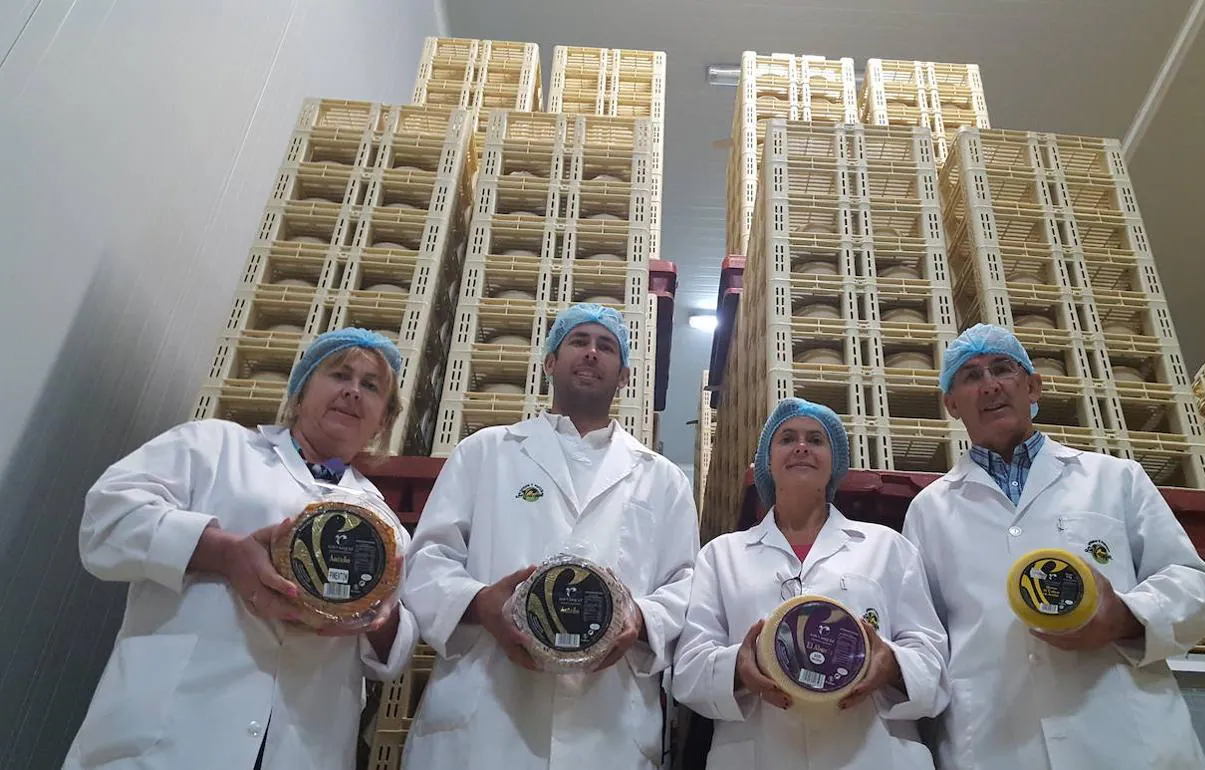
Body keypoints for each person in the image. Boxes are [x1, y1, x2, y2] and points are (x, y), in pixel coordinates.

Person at [64, 328, 419, 770]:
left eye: (371, 386)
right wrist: (224, 553)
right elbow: (105, 521)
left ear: (383, 419)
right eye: (339, 374)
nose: (352, 391)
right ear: (301, 388)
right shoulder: (213, 445)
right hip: (172, 734)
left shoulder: (383, 524)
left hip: (303, 746)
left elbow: (396, 652)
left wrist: (378, 620)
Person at [902, 323, 1205, 769]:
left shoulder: (1114, 478)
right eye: (970, 376)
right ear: (951, 404)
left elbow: (1192, 583)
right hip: (997, 743)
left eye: (1003, 369)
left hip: (1128, 740)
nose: (990, 385)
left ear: (1033, 386)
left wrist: (1126, 617)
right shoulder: (928, 511)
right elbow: (926, 639)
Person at [403, 302, 699, 770]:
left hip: (606, 724)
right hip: (487, 715)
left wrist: (638, 620)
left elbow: (686, 585)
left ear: (623, 376)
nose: (590, 353)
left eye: (606, 347)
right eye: (578, 342)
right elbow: (427, 559)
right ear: (549, 363)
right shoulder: (485, 452)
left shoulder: (662, 478)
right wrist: (481, 604)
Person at [673, 397, 949, 769]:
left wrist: (892, 664)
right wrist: (738, 666)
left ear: (834, 461)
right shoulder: (722, 556)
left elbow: (932, 659)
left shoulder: (888, 547)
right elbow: (688, 670)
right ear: (768, 460)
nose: (802, 446)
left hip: (874, 753)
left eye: (816, 440)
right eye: (787, 438)